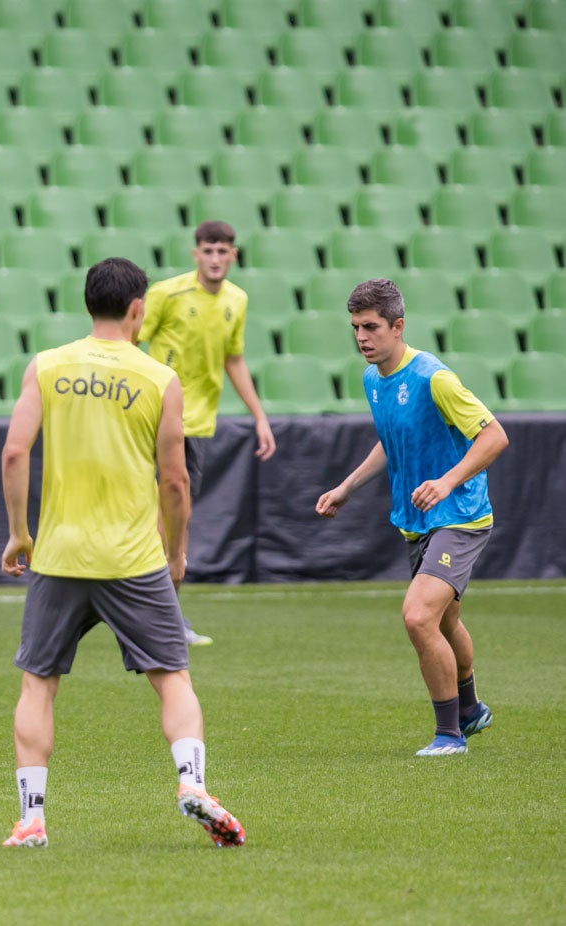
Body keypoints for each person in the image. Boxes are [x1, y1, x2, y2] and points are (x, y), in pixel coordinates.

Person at [0, 257, 245, 850]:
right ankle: (192, 783)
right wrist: (176, 552)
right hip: (134, 557)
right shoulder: (160, 379)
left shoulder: (47, 365)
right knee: (172, 678)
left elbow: (13, 453)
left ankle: (32, 818)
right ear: (138, 308)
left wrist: (19, 533)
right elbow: (175, 482)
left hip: (59, 554)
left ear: (88, 303)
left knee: (38, 684)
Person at [316, 279, 506, 757]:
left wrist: (447, 481)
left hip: (459, 516)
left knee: (418, 616)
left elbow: (495, 437)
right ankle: (471, 709)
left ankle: (449, 735)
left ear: (398, 326)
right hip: (417, 519)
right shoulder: (372, 379)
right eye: (356, 327)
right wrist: (346, 488)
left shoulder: (433, 378)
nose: (361, 337)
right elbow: (391, 440)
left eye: (371, 327)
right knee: (445, 622)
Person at [139, 220, 276, 646]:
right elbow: (129, 341)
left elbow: (233, 359)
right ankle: (162, 619)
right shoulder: (166, 294)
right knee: (164, 521)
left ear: (233, 255)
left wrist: (259, 416)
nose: (215, 259)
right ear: (195, 254)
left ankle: (158, 615)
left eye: (223, 251)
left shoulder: (237, 300)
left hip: (195, 426)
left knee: (174, 522)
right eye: (208, 251)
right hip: (156, 420)